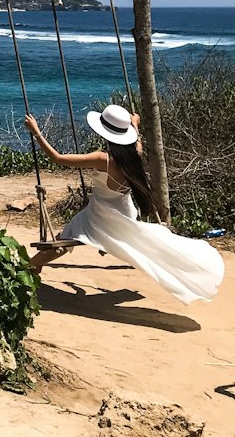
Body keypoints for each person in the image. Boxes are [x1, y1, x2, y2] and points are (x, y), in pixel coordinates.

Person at [24, 103, 224, 305]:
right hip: (125, 212)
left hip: (100, 216)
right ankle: (40, 264)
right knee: (79, 230)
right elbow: (137, 142)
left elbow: (58, 158)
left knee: (69, 234)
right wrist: (135, 124)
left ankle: (28, 268)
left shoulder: (103, 159)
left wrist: (37, 133)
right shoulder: (134, 155)